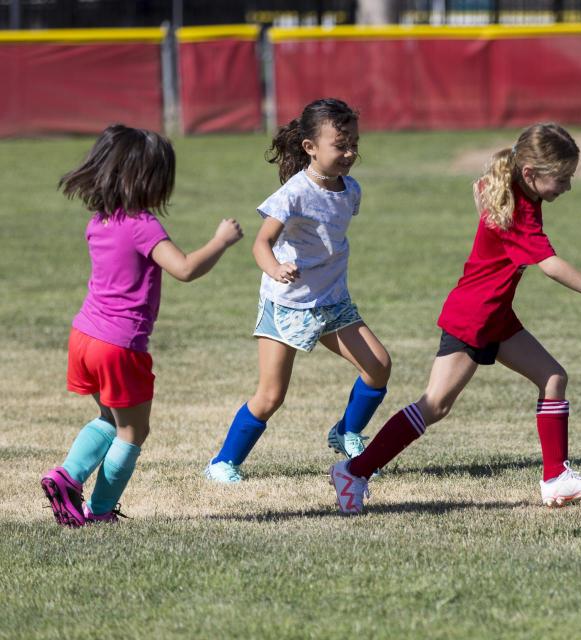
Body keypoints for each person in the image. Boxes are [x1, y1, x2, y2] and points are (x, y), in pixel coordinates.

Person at [329, 122, 581, 514]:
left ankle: (556, 479)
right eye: (563, 178)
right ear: (530, 174)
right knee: (433, 406)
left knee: (553, 377)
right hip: (474, 317)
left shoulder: (512, 190)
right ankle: (354, 470)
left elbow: (484, 189)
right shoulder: (518, 210)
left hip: (496, 316)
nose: (567, 187)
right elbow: (550, 265)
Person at [40, 124, 243, 526]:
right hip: (119, 344)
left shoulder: (99, 221)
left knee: (108, 418)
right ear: (145, 179)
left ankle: (66, 479)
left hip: (85, 336)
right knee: (132, 432)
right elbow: (184, 268)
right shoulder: (141, 224)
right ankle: (96, 510)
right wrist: (220, 241)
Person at [205, 98, 391, 483]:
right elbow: (261, 244)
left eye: (354, 143)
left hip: (333, 301)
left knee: (378, 366)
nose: (350, 153)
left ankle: (347, 432)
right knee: (271, 396)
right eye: (340, 145)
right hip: (288, 305)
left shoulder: (350, 190)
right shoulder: (294, 193)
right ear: (310, 147)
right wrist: (276, 268)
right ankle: (222, 463)